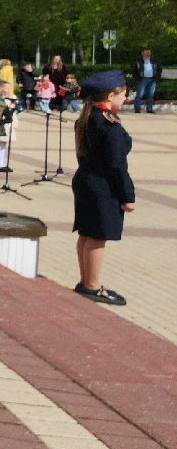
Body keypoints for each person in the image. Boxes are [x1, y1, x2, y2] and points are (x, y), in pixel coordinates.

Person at [71, 70, 134, 305]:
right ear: (110, 96)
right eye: (123, 94)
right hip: (103, 186)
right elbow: (117, 165)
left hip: (86, 180)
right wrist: (128, 195)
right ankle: (93, 286)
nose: (125, 98)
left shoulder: (88, 118)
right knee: (98, 237)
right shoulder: (109, 125)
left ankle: (86, 282)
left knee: (87, 234)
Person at [131, 48, 160, 114]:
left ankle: (149, 109)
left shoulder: (154, 61)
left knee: (150, 95)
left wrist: (157, 77)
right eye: (146, 52)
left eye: (149, 52)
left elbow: (159, 69)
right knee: (140, 94)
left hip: (152, 80)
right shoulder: (138, 61)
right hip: (142, 79)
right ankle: (137, 109)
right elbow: (134, 70)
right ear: (142, 53)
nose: (148, 54)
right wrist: (137, 78)